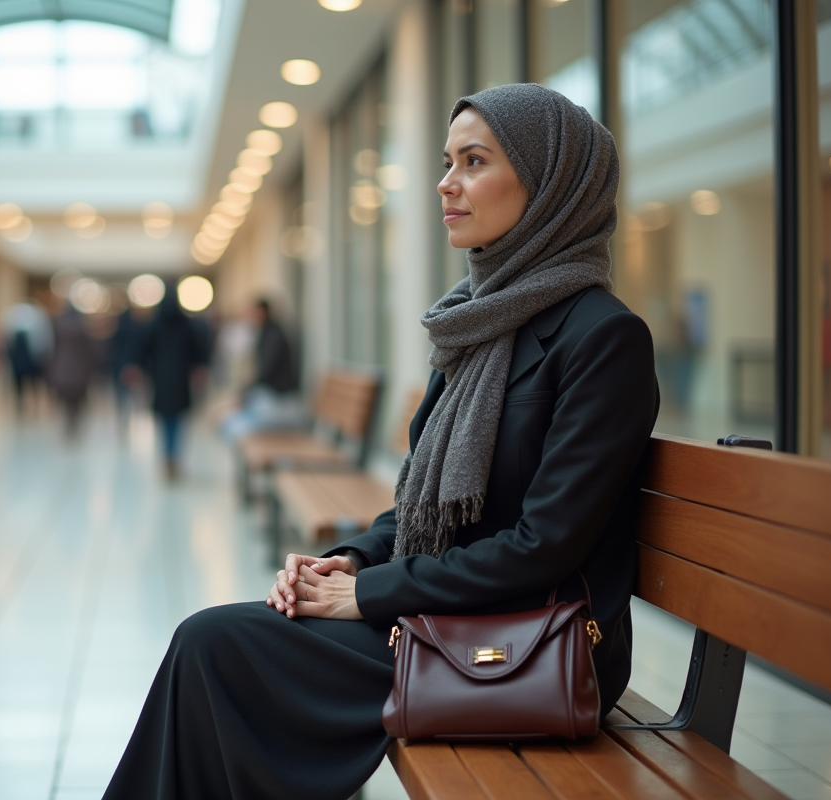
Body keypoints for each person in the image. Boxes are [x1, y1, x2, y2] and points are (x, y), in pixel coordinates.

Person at [103, 84, 658, 799]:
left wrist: (369, 595)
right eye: (447, 160)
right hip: (449, 612)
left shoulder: (602, 339)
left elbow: (543, 547)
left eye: (474, 161)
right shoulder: (477, 325)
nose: (445, 182)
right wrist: (349, 561)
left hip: (528, 644)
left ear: (550, 184)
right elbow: (420, 505)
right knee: (210, 646)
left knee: (215, 647)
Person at [136, 284, 209, 479]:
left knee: (165, 422)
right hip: (180, 380)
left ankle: (168, 458)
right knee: (176, 422)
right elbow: (198, 350)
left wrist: (142, 369)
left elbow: (143, 350)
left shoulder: (155, 323)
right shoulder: (186, 323)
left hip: (160, 380)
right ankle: (173, 458)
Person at [221, 298, 304, 440]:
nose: (251, 317)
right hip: (271, 396)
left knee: (232, 426)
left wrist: (244, 394)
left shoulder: (273, 336)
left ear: (263, 312)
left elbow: (265, 372)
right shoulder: (267, 333)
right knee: (229, 420)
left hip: (279, 401)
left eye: (254, 312)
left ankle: (253, 460)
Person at [45, 302, 98, 437]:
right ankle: (74, 423)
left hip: (62, 369)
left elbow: (52, 349)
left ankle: (68, 423)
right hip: (80, 370)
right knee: (77, 401)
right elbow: (90, 350)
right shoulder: (82, 327)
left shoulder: (58, 325)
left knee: (66, 400)